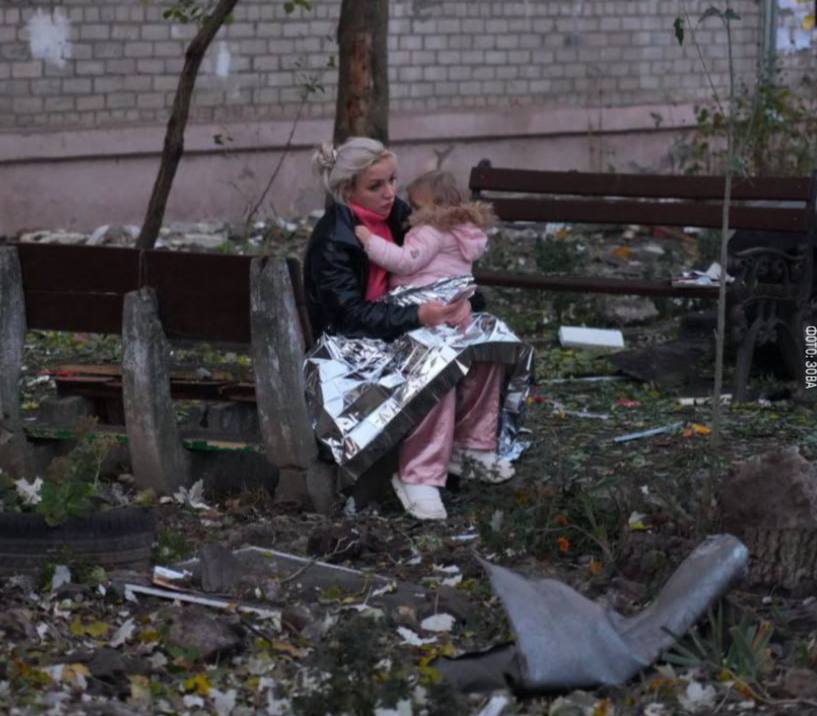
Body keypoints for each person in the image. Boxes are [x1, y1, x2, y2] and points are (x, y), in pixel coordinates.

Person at [304, 137, 516, 521]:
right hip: (350, 350)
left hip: (401, 325)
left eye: (392, 181)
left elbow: (448, 270)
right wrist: (418, 316)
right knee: (435, 362)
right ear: (347, 191)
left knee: (486, 337)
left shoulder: (400, 216)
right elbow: (349, 317)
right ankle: (419, 475)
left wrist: (467, 303)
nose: (389, 193)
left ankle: (469, 446)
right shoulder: (334, 239)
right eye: (375, 186)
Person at [353, 169, 495, 293]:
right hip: (451, 295)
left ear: (436, 205)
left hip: (425, 294)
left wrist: (370, 242)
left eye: (417, 207)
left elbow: (406, 261)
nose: (412, 213)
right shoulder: (461, 229)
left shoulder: (432, 231)